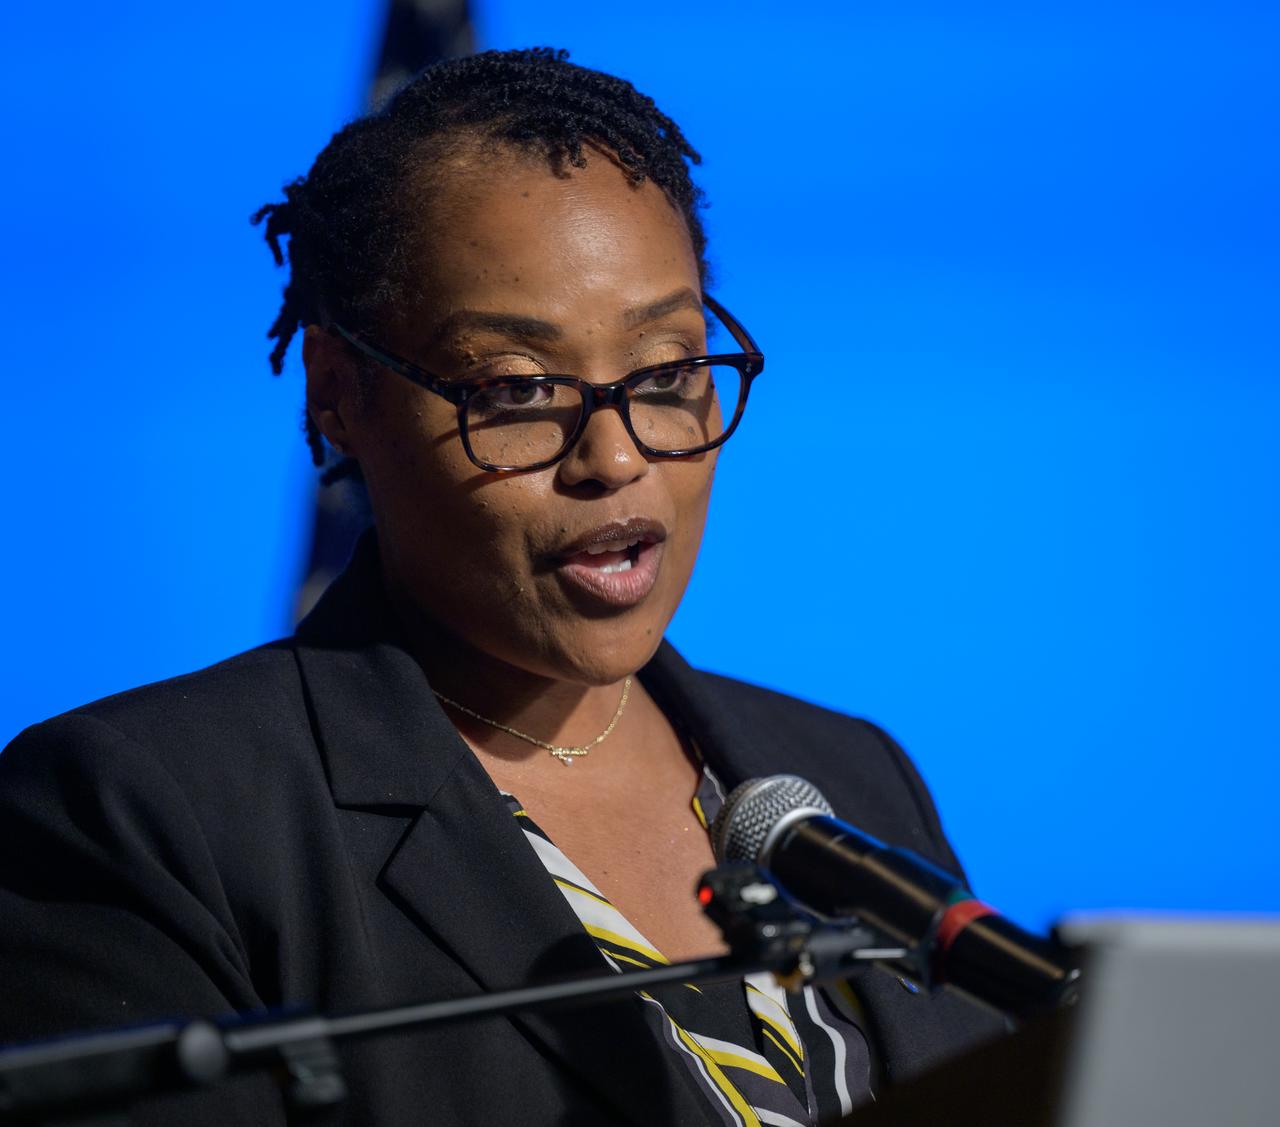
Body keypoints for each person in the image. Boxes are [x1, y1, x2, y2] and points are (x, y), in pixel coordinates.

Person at [0, 48, 1006, 1125]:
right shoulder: (145, 813)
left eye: (667, 373)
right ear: (341, 397)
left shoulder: (847, 774)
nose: (614, 457)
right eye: (518, 388)